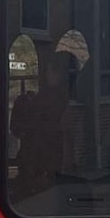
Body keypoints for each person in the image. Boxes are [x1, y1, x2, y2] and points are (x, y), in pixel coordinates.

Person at [10, 46, 75, 200]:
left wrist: (24, 103)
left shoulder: (49, 101)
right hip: (47, 163)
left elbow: (19, 129)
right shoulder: (63, 99)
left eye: (49, 70)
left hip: (39, 163)